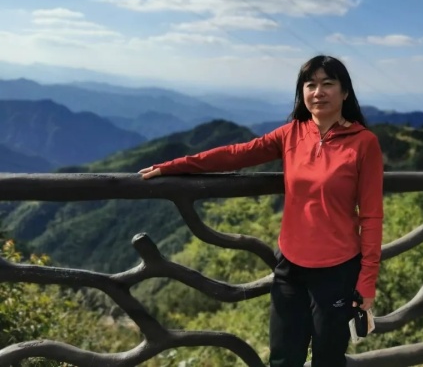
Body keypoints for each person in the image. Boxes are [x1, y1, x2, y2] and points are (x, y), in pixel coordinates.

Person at [139, 55, 384, 367]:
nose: (318, 92)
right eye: (310, 85)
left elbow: (371, 216)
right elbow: (237, 154)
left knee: (328, 358)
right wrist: (175, 166)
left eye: (328, 84)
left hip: (337, 270)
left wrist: (367, 280)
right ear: (302, 92)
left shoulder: (364, 143)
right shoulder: (292, 133)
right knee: (283, 358)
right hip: (290, 267)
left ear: (345, 92)